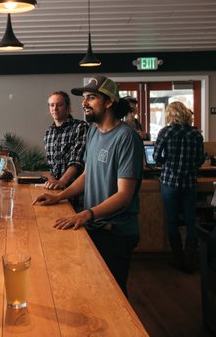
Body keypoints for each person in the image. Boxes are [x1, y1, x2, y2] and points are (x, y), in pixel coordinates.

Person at [34, 76, 144, 295]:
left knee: (113, 295)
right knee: (92, 289)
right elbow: (87, 173)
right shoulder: (93, 132)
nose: (84, 103)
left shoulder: (126, 138)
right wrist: (59, 196)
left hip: (115, 232)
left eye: (91, 98)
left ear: (109, 102)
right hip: (95, 225)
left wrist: (86, 214)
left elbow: (124, 196)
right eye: (84, 98)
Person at [153, 101, 204, 273]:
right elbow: (200, 160)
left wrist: (166, 161)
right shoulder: (196, 134)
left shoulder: (165, 132)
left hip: (169, 182)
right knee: (190, 221)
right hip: (189, 183)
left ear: (170, 115)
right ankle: (191, 260)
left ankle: (178, 258)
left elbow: (156, 156)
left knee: (172, 221)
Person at [44, 91, 88, 191]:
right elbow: (51, 166)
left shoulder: (80, 127)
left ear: (68, 107)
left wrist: (62, 182)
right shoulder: (48, 133)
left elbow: (77, 161)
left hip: (75, 193)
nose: (54, 108)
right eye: (52, 105)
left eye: (59, 105)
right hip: (55, 190)